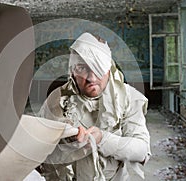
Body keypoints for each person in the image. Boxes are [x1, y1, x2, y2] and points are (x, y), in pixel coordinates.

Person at [38, 32, 151, 181]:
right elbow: (37, 148)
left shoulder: (128, 98)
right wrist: (64, 141)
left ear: (109, 68)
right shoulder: (58, 99)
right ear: (72, 70)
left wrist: (102, 140)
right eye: (82, 68)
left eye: (97, 69)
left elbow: (141, 151)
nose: (91, 78)